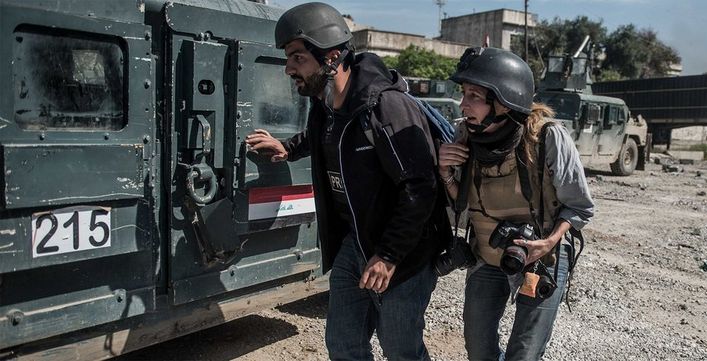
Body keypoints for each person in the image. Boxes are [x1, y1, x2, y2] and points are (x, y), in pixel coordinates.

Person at [245, 3, 447, 360]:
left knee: (401, 350)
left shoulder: (386, 107)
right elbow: (321, 138)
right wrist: (287, 148)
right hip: (356, 244)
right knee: (343, 344)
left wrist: (388, 255)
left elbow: (421, 187)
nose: (289, 69)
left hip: (404, 253)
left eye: (297, 58)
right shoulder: (326, 106)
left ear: (331, 56)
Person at [437, 47, 595, 361]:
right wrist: (445, 174)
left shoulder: (548, 137)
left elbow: (579, 206)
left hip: (542, 259)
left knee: (523, 353)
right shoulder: (463, 135)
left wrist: (547, 242)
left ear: (504, 102)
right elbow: (466, 205)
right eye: (463, 94)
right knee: (478, 350)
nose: (463, 104)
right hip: (488, 256)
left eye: (474, 96)